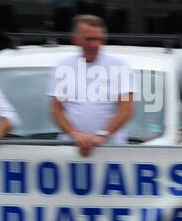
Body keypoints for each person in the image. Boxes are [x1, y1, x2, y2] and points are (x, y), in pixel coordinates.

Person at [50, 14, 134, 156]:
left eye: (99, 39)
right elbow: (56, 110)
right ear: (76, 40)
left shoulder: (119, 66)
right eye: (89, 39)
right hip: (70, 150)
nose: (95, 45)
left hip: (112, 151)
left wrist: (102, 136)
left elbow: (126, 110)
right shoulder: (63, 67)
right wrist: (75, 135)